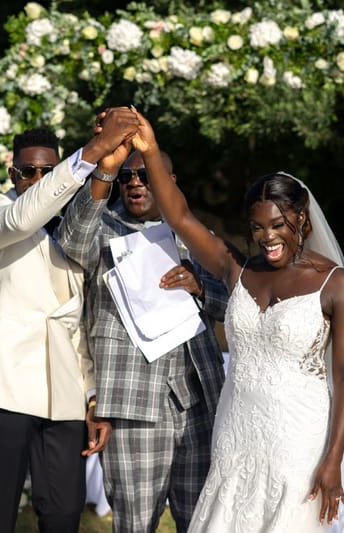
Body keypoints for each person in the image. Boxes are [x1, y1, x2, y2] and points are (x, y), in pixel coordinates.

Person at [128, 113, 344, 532]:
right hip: (236, 427)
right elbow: (181, 217)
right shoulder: (236, 269)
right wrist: (150, 151)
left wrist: (333, 460)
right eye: (257, 228)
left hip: (298, 434)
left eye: (278, 225)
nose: (267, 237)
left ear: (301, 219)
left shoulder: (338, 286)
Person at [0, 112, 138, 533]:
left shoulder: (74, 231)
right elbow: (21, 218)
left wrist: (91, 397)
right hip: (5, 383)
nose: (37, 179)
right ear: (11, 172)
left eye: (47, 171)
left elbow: (76, 322)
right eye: (28, 171)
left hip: (65, 391)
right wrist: (89, 153)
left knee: (63, 511)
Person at [57, 130, 228, 532]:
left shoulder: (197, 238)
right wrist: (106, 170)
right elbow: (70, 240)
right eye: (128, 177)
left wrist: (200, 286)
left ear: (169, 181)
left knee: (202, 520)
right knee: (134, 524)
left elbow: (233, 306)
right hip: (132, 406)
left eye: (146, 175)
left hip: (198, 404)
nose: (136, 183)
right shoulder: (101, 231)